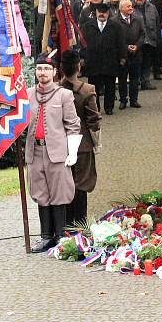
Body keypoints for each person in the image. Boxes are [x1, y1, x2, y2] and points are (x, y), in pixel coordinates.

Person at [26, 52, 82, 252]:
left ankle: (60, 235)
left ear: (55, 72)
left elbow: (73, 124)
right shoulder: (27, 94)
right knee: (41, 193)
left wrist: (72, 151)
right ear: (35, 71)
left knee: (59, 193)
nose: (43, 72)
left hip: (57, 152)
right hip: (35, 151)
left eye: (47, 69)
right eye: (40, 68)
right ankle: (45, 236)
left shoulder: (63, 95)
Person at [59, 50, 101, 226]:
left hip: (60, 146)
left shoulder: (55, 91)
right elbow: (94, 121)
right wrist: (97, 144)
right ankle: (81, 226)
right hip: (82, 146)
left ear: (60, 68)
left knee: (65, 185)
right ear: (79, 66)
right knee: (81, 186)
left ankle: (67, 226)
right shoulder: (87, 90)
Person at [80, 2, 126, 115]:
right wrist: (82, 57)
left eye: (104, 13)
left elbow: (121, 43)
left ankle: (109, 107)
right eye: (99, 12)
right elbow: (82, 43)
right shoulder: (87, 26)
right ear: (95, 13)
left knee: (110, 86)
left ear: (108, 13)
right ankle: (95, 108)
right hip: (93, 61)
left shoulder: (116, 26)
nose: (102, 14)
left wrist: (122, 57)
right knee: (93, 87)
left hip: (110, 61)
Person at [115, 0, 145, 109]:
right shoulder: (115, 21)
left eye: (131, 6)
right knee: (122, 79)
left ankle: (134, 100)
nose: (130, 8)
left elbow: (142, 34)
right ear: (121, 9)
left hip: (136, 54)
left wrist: (137, 46)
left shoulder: (137, 19)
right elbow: (115, 38)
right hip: (122, 55)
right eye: (128, 6)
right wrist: (126, 47)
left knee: (135, 78)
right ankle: (123, 100)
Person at [133, 0, 160, 90]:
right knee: (138, 62)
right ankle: (137, 82)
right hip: (137, 40)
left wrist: (157, 38)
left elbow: (157, 23)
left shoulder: (152, 7)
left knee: (147, 62)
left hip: (150, 39)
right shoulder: (130, 7)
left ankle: (146, 81)